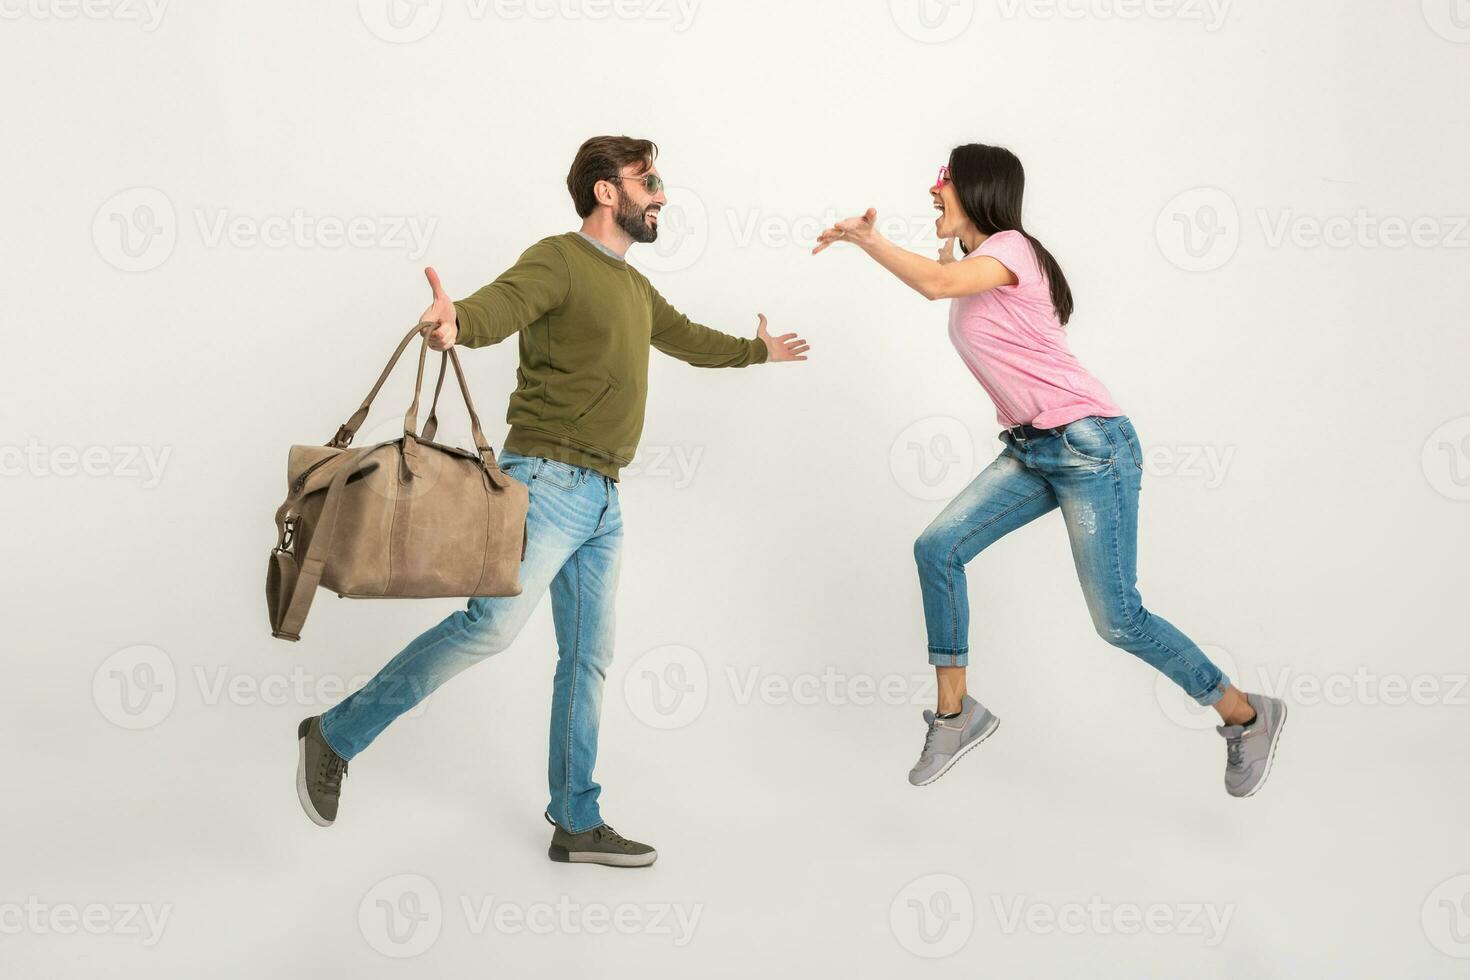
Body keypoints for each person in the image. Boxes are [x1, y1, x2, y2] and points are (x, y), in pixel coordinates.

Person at [296, 136, 810, 865]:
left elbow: (689, 338)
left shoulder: (634, 289)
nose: (662, 194)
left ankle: (575, 819)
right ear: (607, 191)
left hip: (604, 499)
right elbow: (501, 306)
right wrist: (457, 322)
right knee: (491, 628)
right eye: (648, 180)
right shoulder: (558, 259)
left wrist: (759, 351)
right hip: (546, 482)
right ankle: (336, 733)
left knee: (588, 659)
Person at [812, 143, 1284, 797]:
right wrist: (948, 254)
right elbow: (951, 281)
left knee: (1118, 618)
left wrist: (870, 241)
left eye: (942, 180)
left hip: (1092, 447)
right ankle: (957, 715)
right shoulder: (988, 260)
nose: (931, 190)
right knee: (937, 548)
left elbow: (934, 285)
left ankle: (1246, 715)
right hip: (1034, 450)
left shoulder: (1011, 248)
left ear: (977, 187)